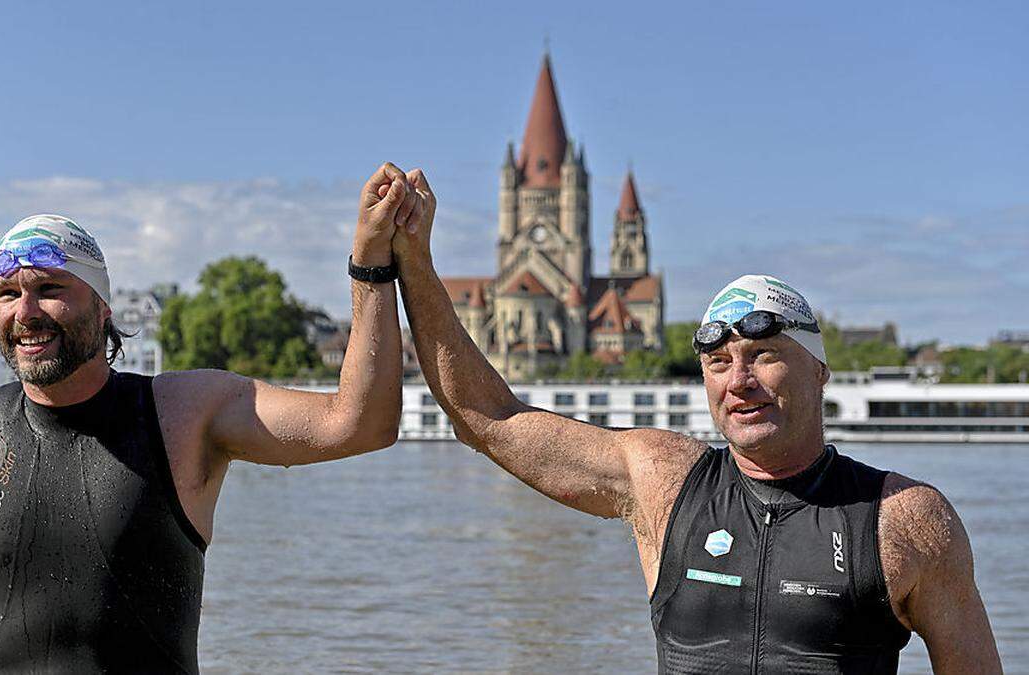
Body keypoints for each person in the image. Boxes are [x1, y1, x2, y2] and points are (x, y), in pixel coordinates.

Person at [391, 169, 1003, 674]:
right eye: (718, 362)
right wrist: (412, 266)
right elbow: (490, 420)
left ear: (819, 373)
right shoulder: (664, 484)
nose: (738, 381)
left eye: (764, 356)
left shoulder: (907, 518)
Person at [0, 162, 423, 673]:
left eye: (50, 289)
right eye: (6, 294)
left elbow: (361, 423)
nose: (25, 313)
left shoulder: (184, 414)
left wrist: (371, 262)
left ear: (103, 307)